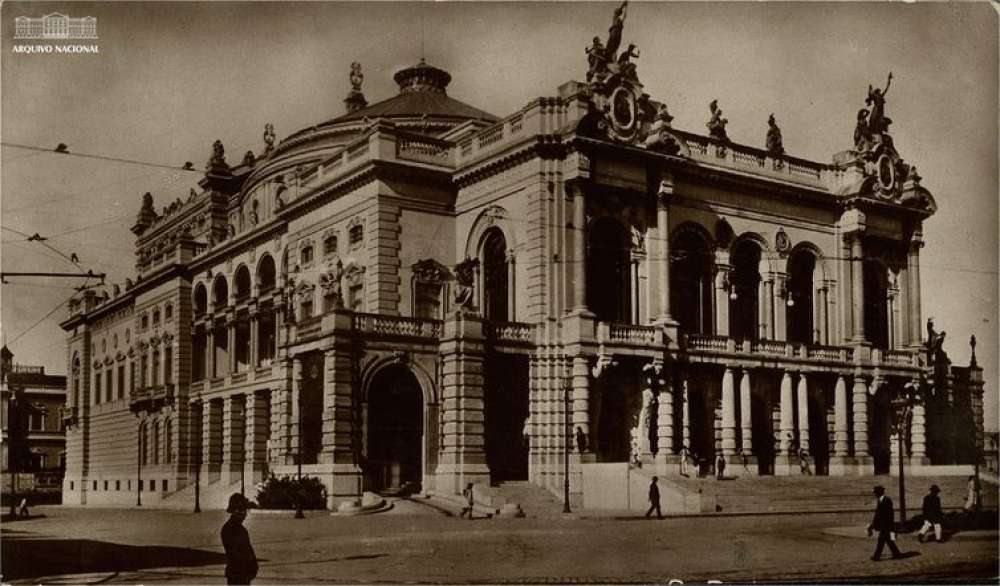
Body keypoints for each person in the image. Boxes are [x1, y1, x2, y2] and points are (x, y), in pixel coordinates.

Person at [221, 493, 258, 585]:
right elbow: (235, 553)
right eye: (240, 510)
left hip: (243, 573)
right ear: (233, 511)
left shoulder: (240, 528)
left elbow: (248, 549)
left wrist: (253, 567)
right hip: (237, 574)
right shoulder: (229, 528)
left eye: (244, 510)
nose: (243, 513)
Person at [867, 485, 902, 561]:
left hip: (886, 525)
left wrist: (889, 526)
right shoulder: (880, 500)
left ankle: (876, 557)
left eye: (875, 493)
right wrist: (873, 524)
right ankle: (897, 554)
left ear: (879, 493)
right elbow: (878, 514)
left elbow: (889, 514)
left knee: (881, 540)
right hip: (882, 525)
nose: (875, 495)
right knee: (888, 540)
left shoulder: (887, 500)